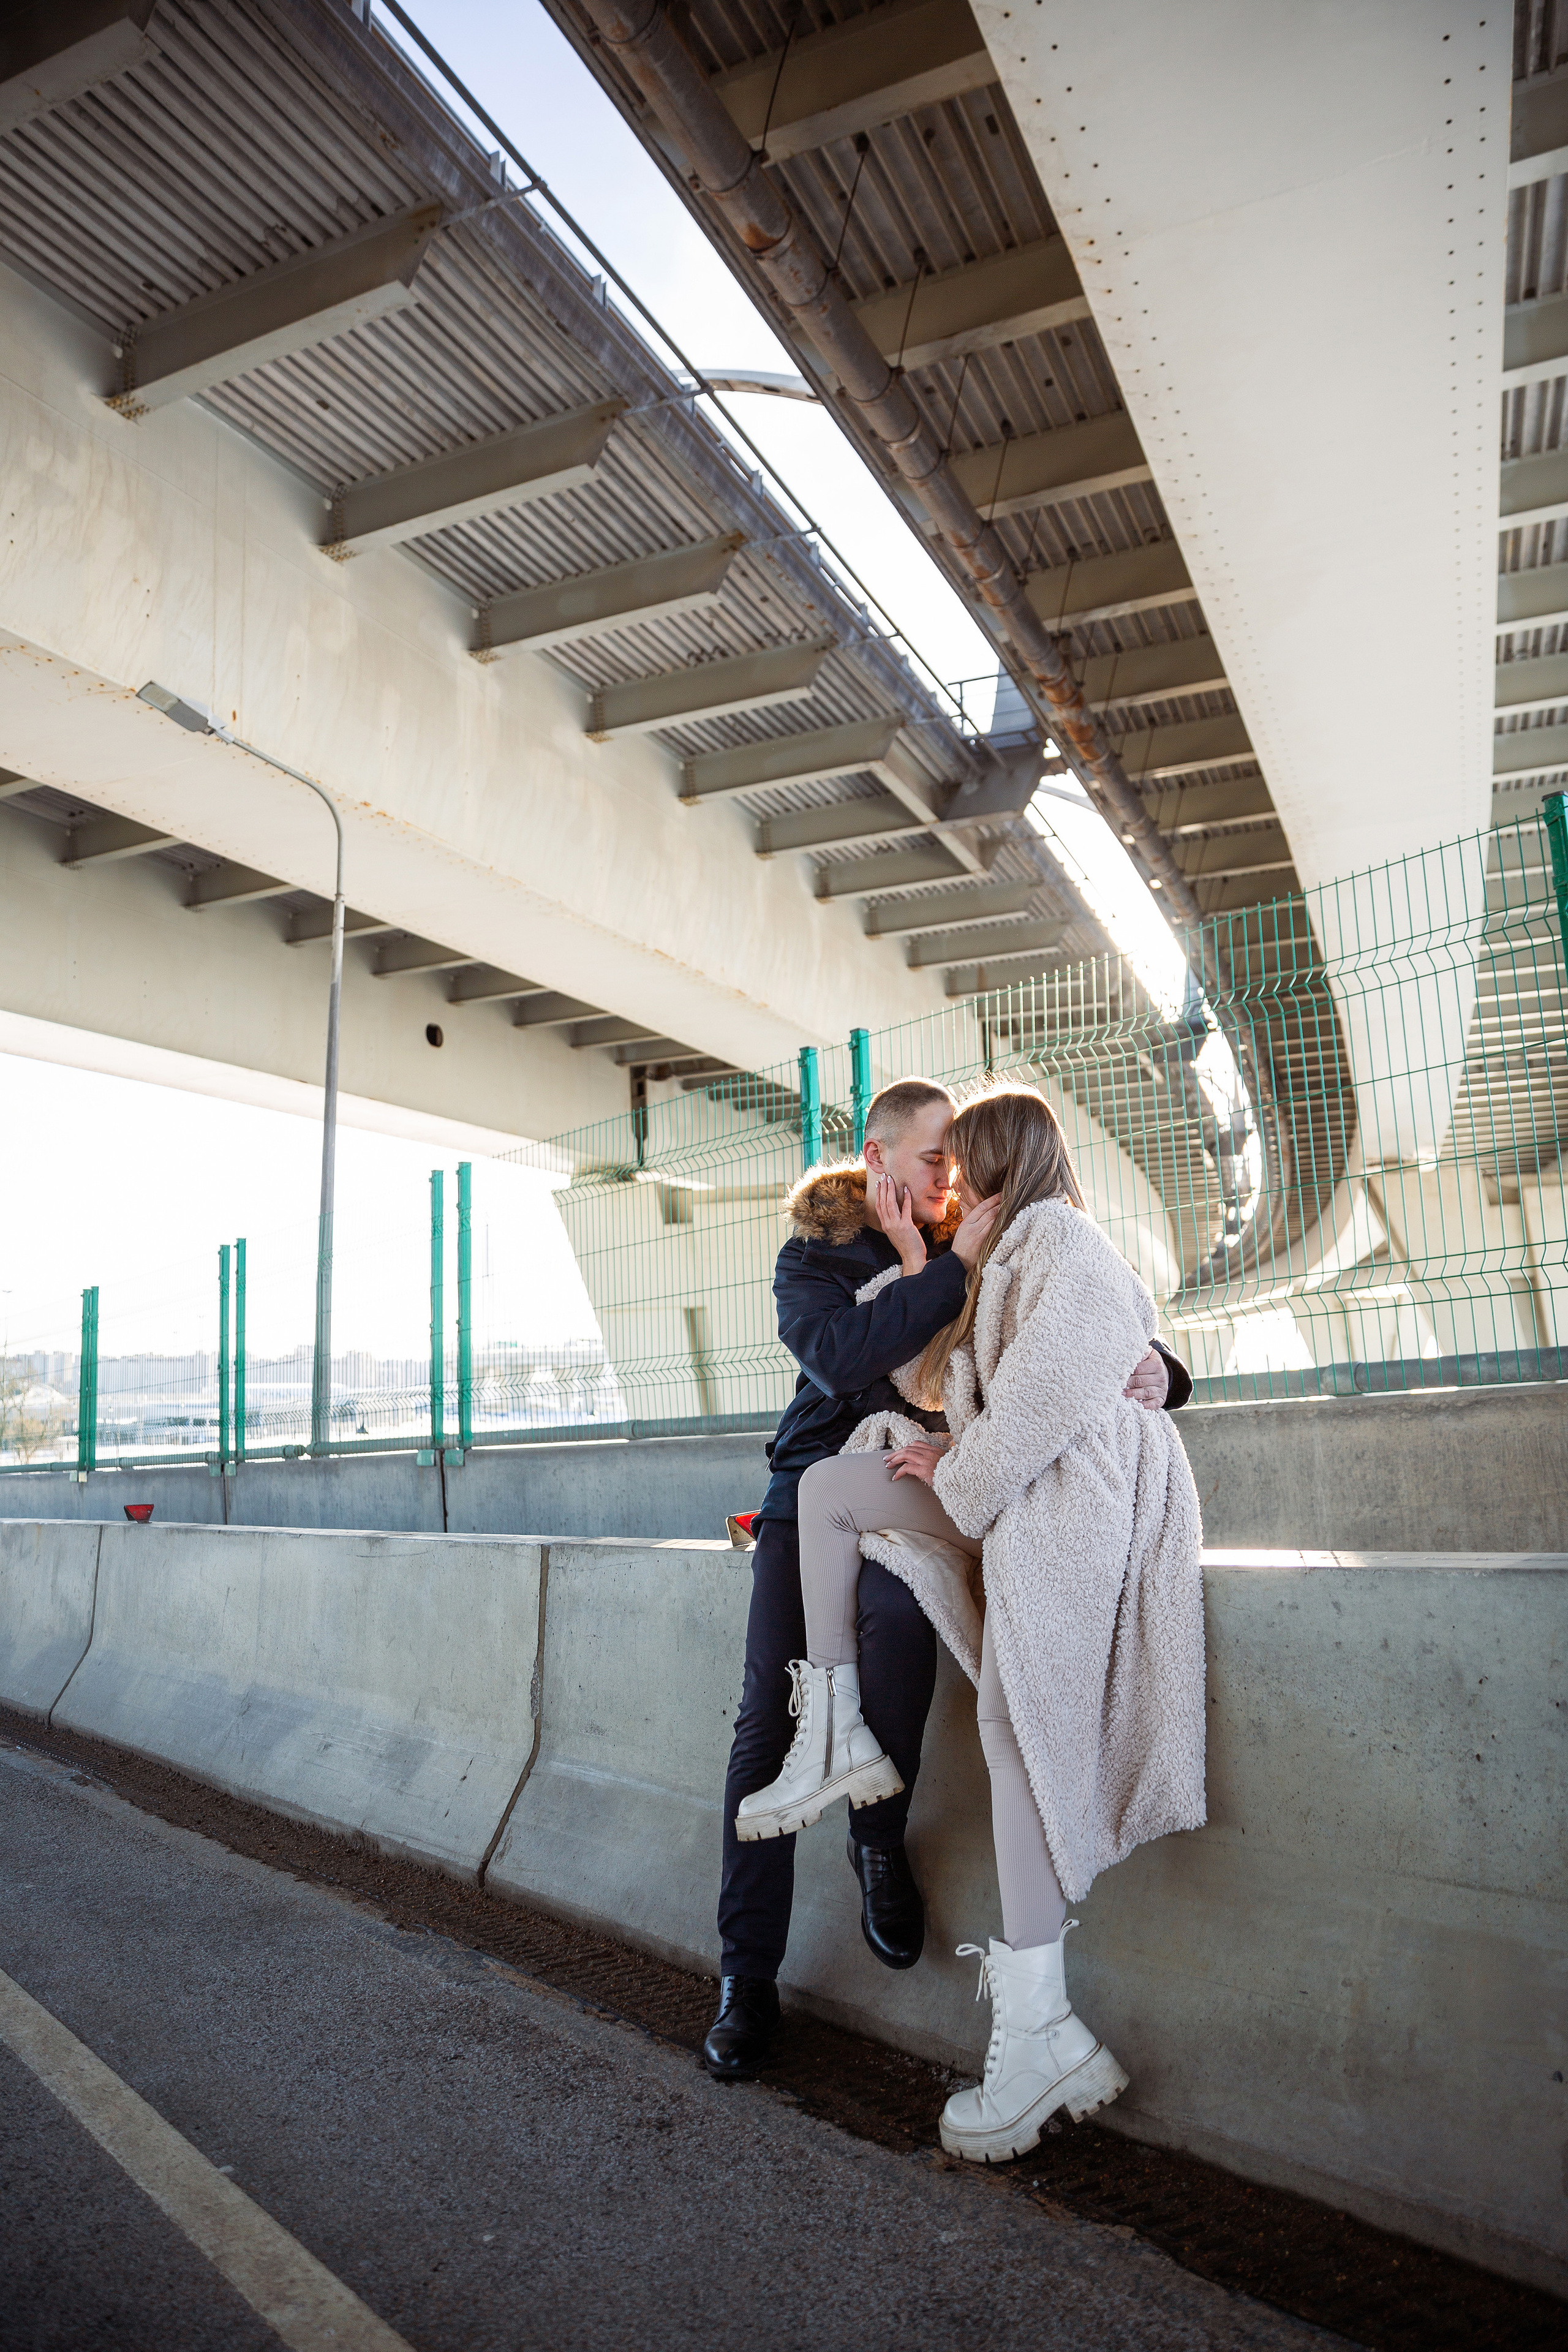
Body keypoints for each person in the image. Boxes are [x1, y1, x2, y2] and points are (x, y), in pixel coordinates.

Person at [730, 1084, 1207, 2159]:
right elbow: (888, 1364)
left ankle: (1031, 2019)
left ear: (998, 1165)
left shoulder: (1047, 1239)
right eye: (935, 1162)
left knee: (1004, 1721)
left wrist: (1150, 1366)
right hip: (947, 1476)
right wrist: (926, 1266)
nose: (949, 1182)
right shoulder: (841, 1254)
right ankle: (823, 1766)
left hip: (1043, 1497)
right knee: (821, 1531)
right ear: (882, 1158)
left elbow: (1066, 1365)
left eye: (962, 1162)